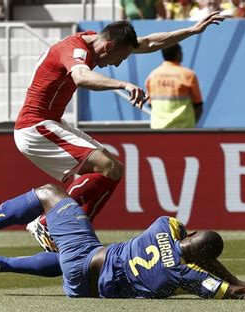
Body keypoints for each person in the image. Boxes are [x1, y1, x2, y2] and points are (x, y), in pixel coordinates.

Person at [14, 12, 225, 249]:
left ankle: (74, 230)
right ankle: (48, 221)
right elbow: (82, 77)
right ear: (109, 46)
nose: (117, 64)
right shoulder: (75, 51)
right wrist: (122, 84)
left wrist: (192, 30)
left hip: (49, 123)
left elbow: (149, 43)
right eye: (120, 58)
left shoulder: (95, 41)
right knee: (107, 167)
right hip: (35, 126)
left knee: (113, 170)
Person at [0, 184, 245, 299]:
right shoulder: (185, 275)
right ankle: (1, 264)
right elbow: (234, 292)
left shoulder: (166, 225)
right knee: (73, 263)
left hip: (89, 256)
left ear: (188, 234)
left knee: (49, 193)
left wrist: (237, 281)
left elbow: (202, 252)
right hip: (83, 289)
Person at [145, 44, 203, 129]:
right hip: (184, 129)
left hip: (158, 129)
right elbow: (198, 105)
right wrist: (191, 125)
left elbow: (151, 104)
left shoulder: (152, 76)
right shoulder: (188, 75)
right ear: (178, 53)